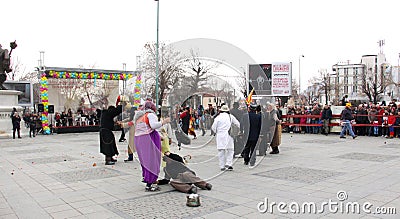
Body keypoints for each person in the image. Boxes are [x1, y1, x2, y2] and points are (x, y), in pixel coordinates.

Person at [134, 100, 170, 192]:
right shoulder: (150, 114)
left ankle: (146, 178)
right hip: (149, 140)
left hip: (139, 140)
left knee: (145, 161)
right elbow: (154, 126)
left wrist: (160, 136)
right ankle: (150, 183)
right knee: (153, 160)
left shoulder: (139, 117)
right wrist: (164, 122)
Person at [211, 105, 240, 171]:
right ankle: (228, 164)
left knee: (221, 151)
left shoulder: (217, 118)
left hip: (220, 136)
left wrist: (217, 132)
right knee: (230, 150)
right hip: (229, 135)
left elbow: (213, 127)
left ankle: (222, 166)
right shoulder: (230, 117)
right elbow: (238, 124)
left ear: (221, 110)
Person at [99, 96, 124, 165]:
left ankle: (111, 157)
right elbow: (117, 110)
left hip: (106, 131)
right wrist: (121, 104)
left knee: (111, 144)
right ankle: (108, 159)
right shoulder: (108, 113)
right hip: (106, 132)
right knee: (108, 145)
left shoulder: (105, 113)